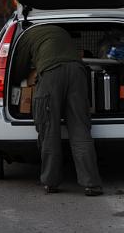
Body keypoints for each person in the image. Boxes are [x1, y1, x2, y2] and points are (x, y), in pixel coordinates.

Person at [11, 24, 103, 196]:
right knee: (80, 130)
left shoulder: (25, 35)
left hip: (51, 75)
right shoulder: (59, 31)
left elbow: (18, 69)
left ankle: (51, 182)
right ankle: (91, 184)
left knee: (49, 129)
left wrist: (20, 78)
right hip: (78, 72)